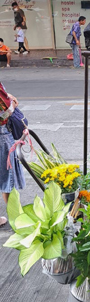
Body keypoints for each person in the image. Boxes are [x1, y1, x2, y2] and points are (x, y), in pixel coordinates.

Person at [0, 81, 25, 226]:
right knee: (7, 176)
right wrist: (13, 105)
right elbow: (4, 113)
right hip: (2, 134)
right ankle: (16, 217)